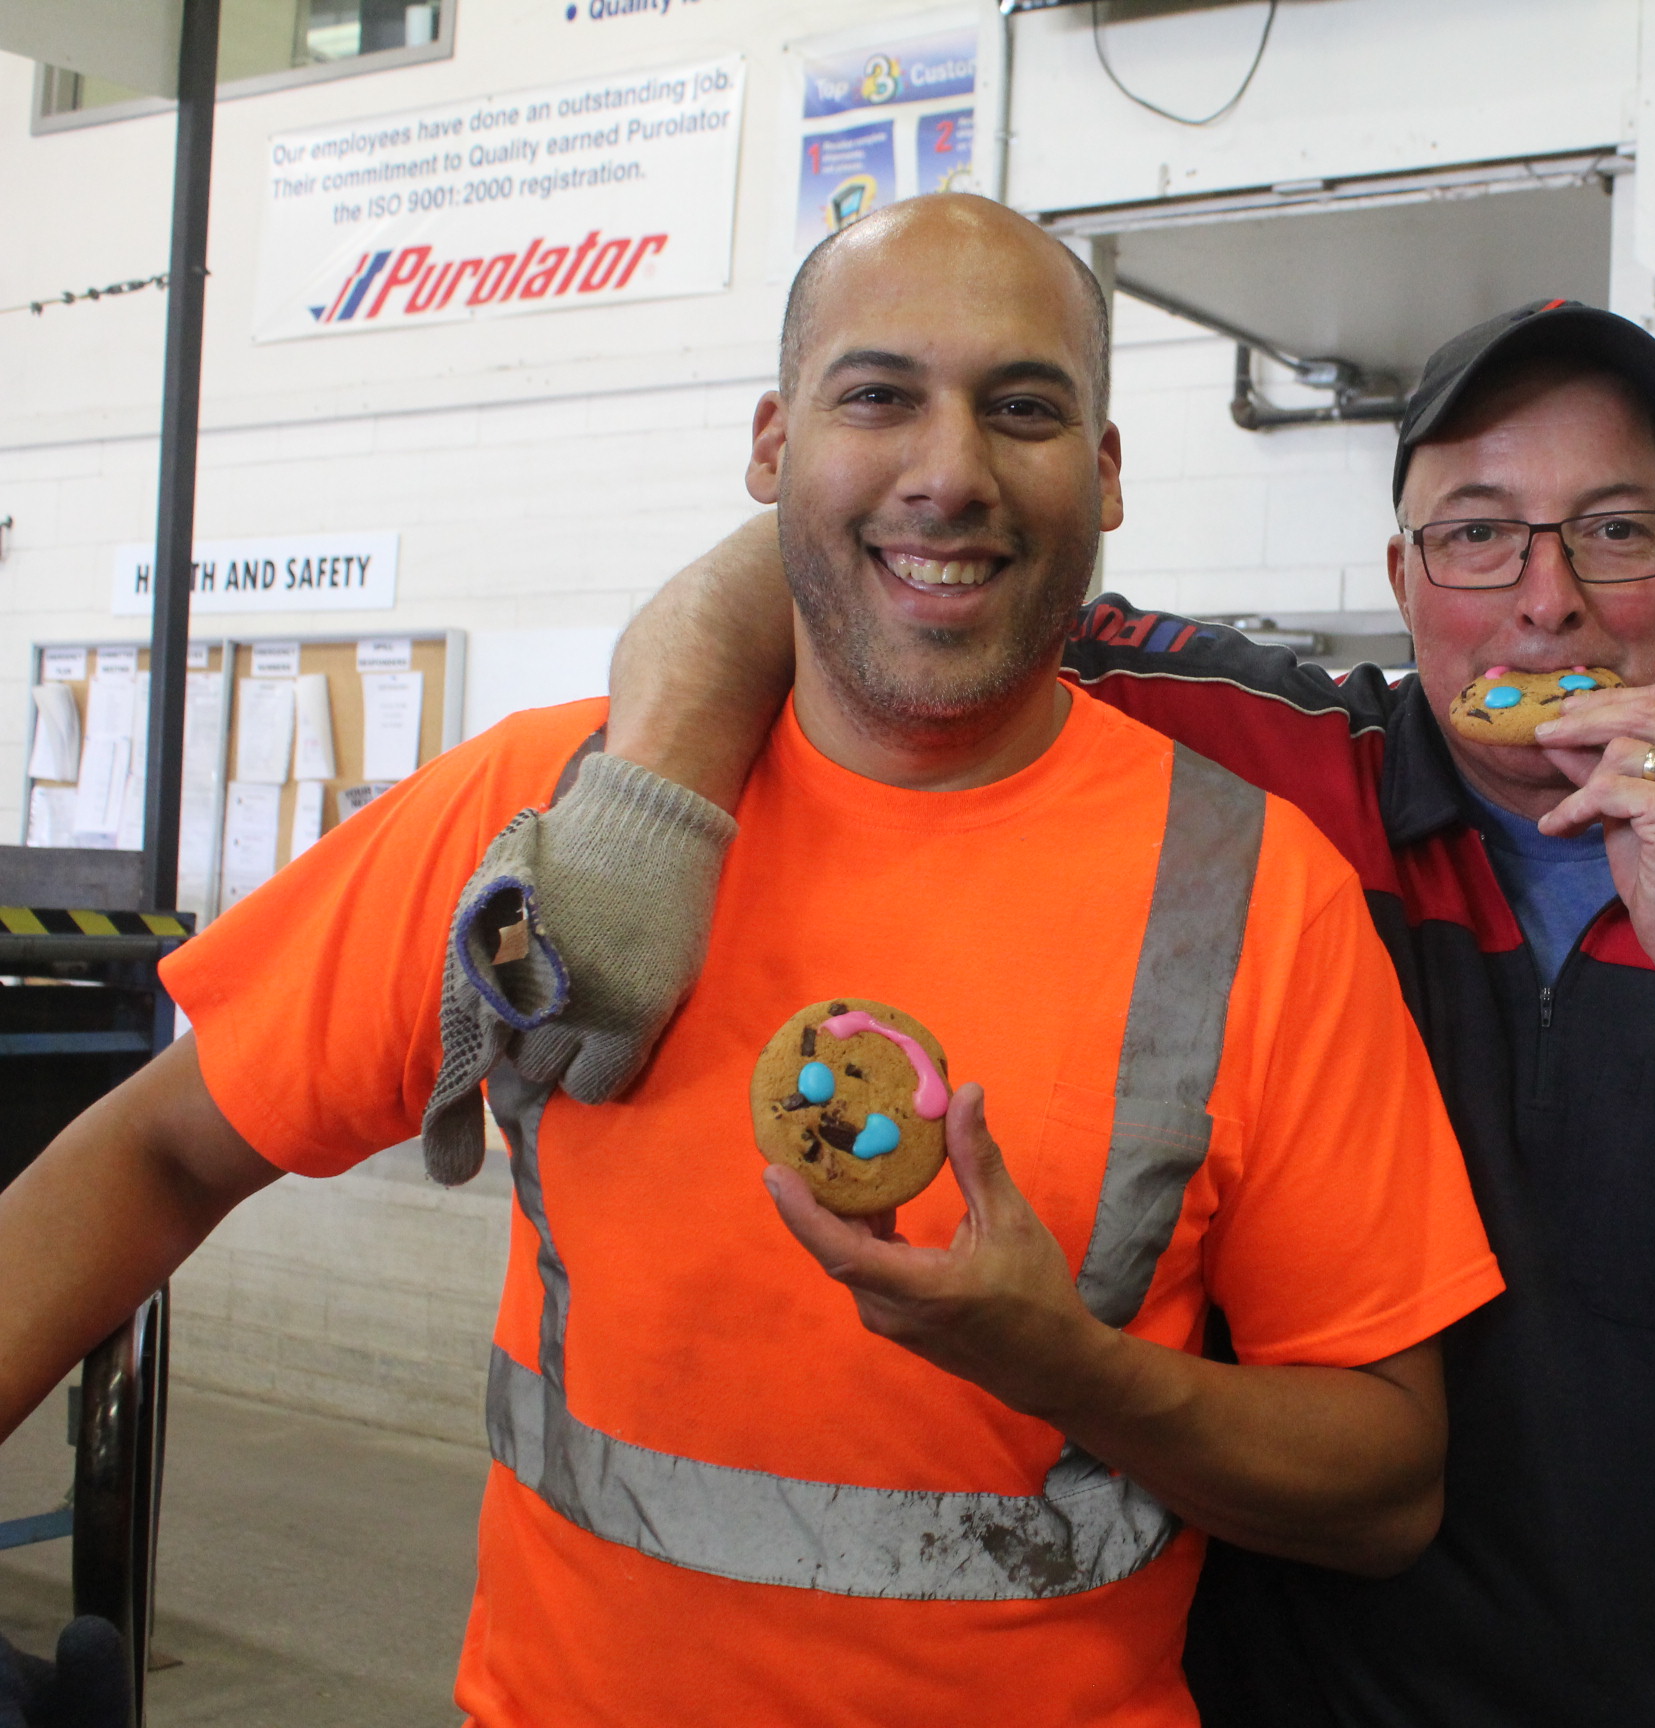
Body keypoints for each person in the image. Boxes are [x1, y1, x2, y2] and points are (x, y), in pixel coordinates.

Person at [0, 196, 1505, 1727]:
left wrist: (1070, 1367)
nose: (950, 472)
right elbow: (157, 1156)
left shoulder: (1252, 896)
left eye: (1026, 408)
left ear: (1106, 473)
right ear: (773, 447)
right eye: (879, 396)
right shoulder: (547, 824)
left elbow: (1385, 1486)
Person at [449, 292, 1655, 1722]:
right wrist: (644, 816)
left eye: (1617, 530)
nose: (1546, 601)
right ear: (1403, 578)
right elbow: (856, 560)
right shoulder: (1274, 755)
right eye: (1479, 531)